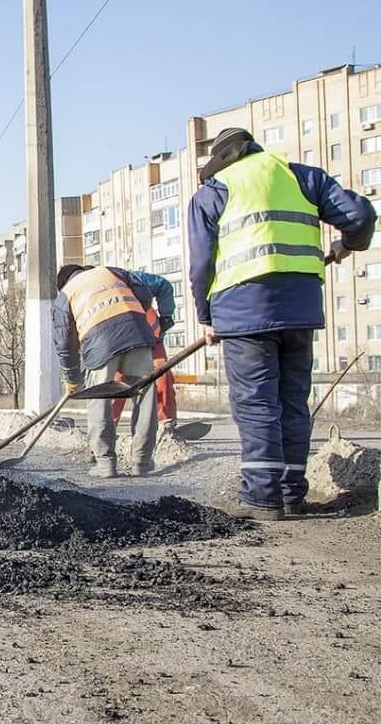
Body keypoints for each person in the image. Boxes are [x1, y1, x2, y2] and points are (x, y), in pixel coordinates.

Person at [188, 127, 375, 520]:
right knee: (292, 402)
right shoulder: (303, 177)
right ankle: (291, 493)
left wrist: (206, 317)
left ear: (221, 160)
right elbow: (360, 215)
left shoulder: (214, 191)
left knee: (256, 403)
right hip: (300, 309)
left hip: (243, 311)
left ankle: (262, 498)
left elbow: (202, 264)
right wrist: (347, 244)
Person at [54, 264, 159, 478]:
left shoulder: (65, 295)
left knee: (99, 399)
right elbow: (144, 292)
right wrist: (134, 316)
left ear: (62, 283)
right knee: (145, 397)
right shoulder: (110, 271)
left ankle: (105, 463)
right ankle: (142, 462)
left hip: (100, 343)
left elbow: (65, 342)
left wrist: (72, 378)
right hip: (137, 333)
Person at [109, 269, 178, 430]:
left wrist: (166, 316)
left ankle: (166, 423)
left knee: (162, 373)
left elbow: (163, 286)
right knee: (117, 382)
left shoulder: (134, 279)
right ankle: (107, 429)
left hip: (151, 336)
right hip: (120, 342)